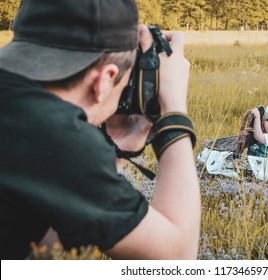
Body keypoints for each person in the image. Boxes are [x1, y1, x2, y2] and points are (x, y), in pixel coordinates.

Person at [0, 0, 200, 260]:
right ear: (105, 79)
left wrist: (116, 148)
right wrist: (173, 111)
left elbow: (36, 243)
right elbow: (176, 259)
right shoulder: (55, 136)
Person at [197, 102, 268, 181]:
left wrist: (256, 118)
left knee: (248, 163)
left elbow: (259, 136)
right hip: (267, 155)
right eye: (267, 120)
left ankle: (238, 169)